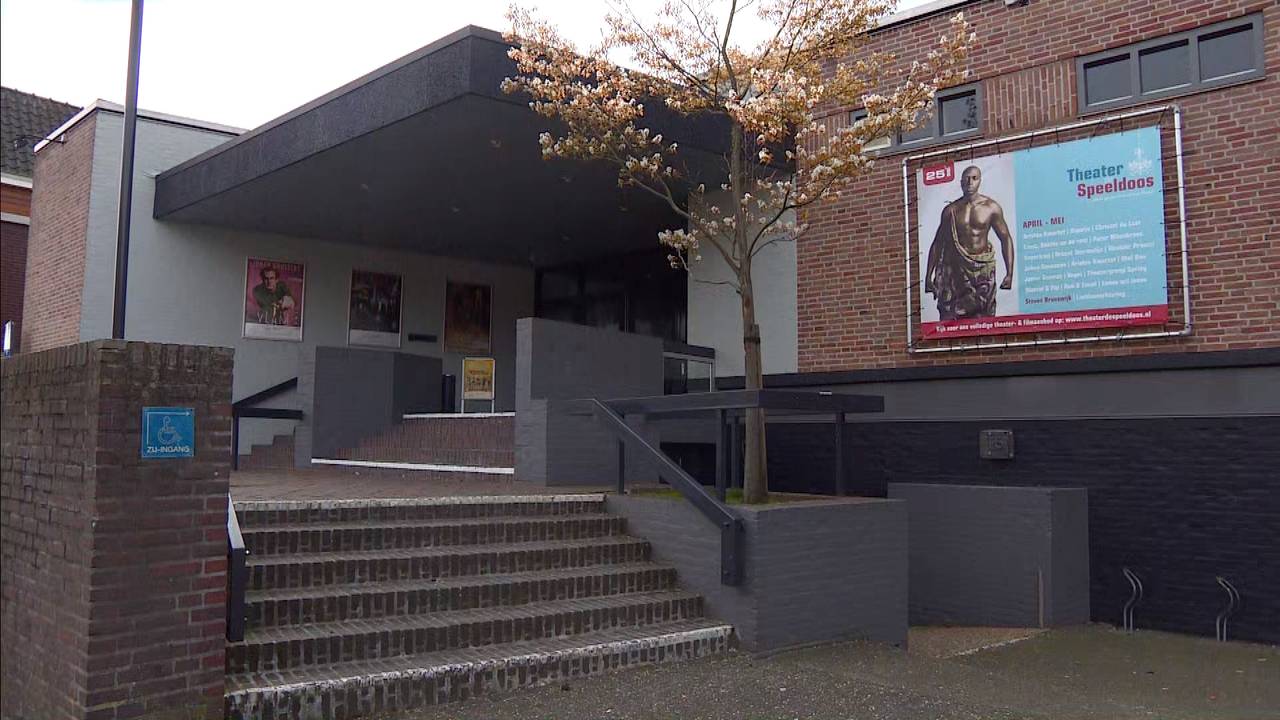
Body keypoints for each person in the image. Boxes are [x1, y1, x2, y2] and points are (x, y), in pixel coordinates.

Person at [925, 166, 1015, 320]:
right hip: (956, 271)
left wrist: (1009, 274)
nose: (970, 183)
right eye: (966, 179)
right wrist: (928, 276)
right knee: (952, 317)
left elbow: (1005, 238)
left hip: (982, 270)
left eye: (974, 178)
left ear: (980, 181)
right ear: (961, 183)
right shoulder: (950, 210)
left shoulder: (991, 208)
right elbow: (938, 243)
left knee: (984, 318)